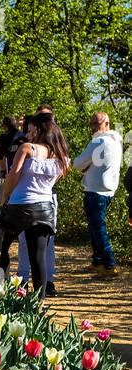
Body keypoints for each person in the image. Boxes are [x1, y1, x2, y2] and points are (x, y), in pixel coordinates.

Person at [0, 112, 69, 301]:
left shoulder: (27, 149)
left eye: (30, 130)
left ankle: (0, 289)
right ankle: (39, 302)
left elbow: (13, 175)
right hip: (45, 207)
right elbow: (59, 175)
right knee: (38, 257)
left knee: (1, 248)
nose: (27, 134)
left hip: (20, 205)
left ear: (39, 130)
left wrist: (5, 196)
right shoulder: (59, 153)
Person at [13, 104, 58, 295]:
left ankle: (47, 283)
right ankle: (22, 279)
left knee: (46, 246)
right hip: (35, 200)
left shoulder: (56, 145)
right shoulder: (24, 142)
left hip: (39, 198)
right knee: (25, 244)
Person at [72, 111, 123, 277]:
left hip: (95, 191)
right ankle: (97, 261)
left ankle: (109, 265)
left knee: (98, 228)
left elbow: (78, 163)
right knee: (95, 227)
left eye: (97, 123)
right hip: (109, 191)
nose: (93, 127)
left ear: (107, 124)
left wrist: (86, 166)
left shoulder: (99, 141)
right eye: (91, 124)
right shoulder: (117, 141)